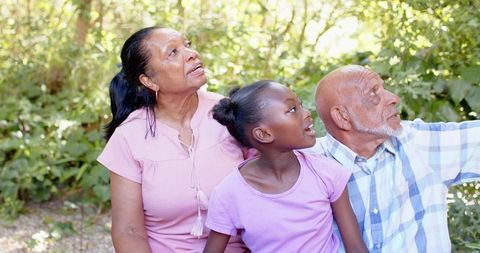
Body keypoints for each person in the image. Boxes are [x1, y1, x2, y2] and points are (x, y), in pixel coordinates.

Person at [97, 26, 248, 253]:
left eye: (187, 45)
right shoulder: (129, 137)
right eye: (173, 52)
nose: (192, 53)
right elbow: (128, 231)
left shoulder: (230, 113)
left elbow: (269, 197)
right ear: (149, 81)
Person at [313, 64, 480, 252]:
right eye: (373, 92)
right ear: (342, 116)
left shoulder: (417, 143)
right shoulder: (307, 167)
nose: (394, 98)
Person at [203, 80, 368, 253]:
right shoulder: (228, 194)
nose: (306, 113)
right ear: (264, 134)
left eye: (300, 105)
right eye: (292, 110)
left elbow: (355, 247)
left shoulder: (327, 172)